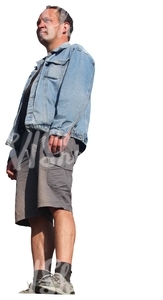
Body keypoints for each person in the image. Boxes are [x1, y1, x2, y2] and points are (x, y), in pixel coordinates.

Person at [5, 5, 95, 295]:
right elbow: (23, 113)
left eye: (47, 20)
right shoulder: (39, 68)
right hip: (30, 141)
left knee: (57, 202)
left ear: (64, 27)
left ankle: (62, 277)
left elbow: (76, 91)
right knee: (35, 213)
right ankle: (40, 280)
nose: (40, 25)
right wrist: (15, 150)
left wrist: (62, 127)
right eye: (38, 22)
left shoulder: (76, 55)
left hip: (56, 135)